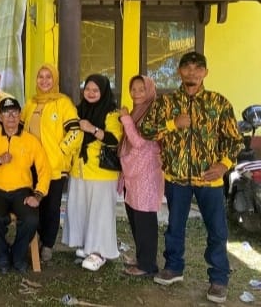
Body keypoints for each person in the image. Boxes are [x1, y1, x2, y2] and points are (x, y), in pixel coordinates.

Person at [141, 52, 243, 304]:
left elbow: (234, 140)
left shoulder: (218, 103)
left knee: (217, 230)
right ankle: (173, 267)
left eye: (198, 68)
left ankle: (218, 279)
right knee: (175, 226)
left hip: (209, 180)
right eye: (187, 67)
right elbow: (146, 131)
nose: (192, 73)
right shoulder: (165, 103)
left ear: (205, 73)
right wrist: (173, 123)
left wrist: (223, 165)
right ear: (179, 71)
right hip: (176, 178)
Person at [0, 97, 51, 273]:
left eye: (14, 112)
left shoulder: (30, 140)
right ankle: (2, 254)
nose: (11, 116)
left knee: (31, 219)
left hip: (21, 191)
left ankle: (18, 255)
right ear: (0, 116)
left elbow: (44, 170)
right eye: (6, 113)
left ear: (20, 115)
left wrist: (38, 195)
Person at [20, 63, 82, 262]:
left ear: (55, 80)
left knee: (51, 207)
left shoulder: (63, 103)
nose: (44, 81)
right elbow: (20, 131)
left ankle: (47, 244)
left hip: (54, 167)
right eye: (41, 76)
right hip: (32, 166)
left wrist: (60, 151)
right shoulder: (30, 103)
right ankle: (36, 238)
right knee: (34, 204)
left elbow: (76, 132)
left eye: (49, 77)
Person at [62, 74, 122, 272]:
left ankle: (99, 252)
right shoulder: (79, 110)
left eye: (95, 90)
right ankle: (87, 245)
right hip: (79, 169)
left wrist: (92, 129)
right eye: (87, 89)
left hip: (101, 172)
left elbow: (114, 139)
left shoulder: (111, 113)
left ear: (103, 92)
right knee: (81, 209)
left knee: (100, 212)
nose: (91, 93)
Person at [118, 75, 163, 277]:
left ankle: (148, 266)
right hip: (133, 174)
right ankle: (141, 258)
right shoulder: (138, 111)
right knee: (135, 218)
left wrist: (126, 119)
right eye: (133, 89)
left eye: (141, 89)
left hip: (146, 175)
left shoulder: (153, 113)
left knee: (145, 221)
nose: (136, 93)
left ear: (150, 90)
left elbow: (138, 142)